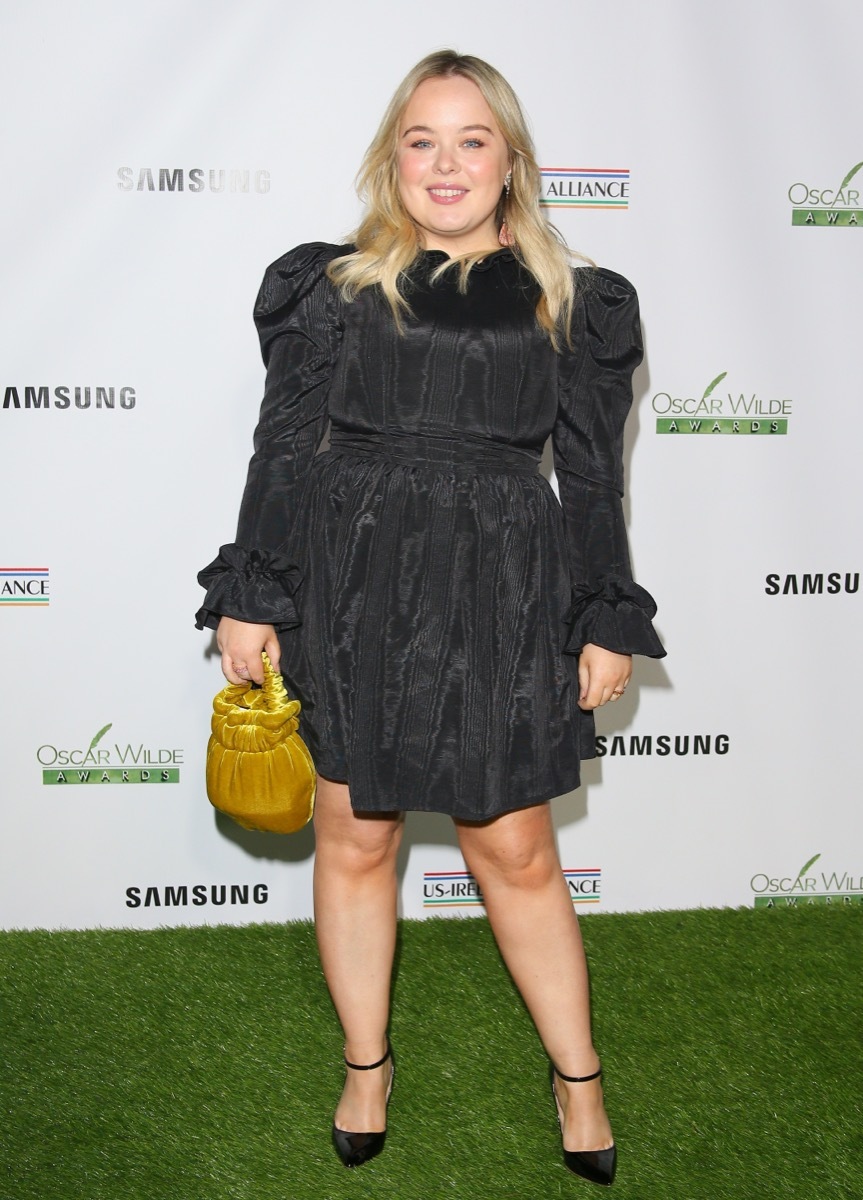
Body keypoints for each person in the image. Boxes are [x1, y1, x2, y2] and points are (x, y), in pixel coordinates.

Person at [196, 50, 665, 1186]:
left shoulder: (575, 301)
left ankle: (578, 1077)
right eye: (421, 140)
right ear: (391, 158)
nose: (444, 164)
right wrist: (253, 593)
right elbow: (283, 448)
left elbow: (590, 478)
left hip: (501, 583)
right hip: (350, 577)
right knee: (355, 836)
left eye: (470, 140)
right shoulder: (329, 286)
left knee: (516, 850)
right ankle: (366, 1066)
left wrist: (603, 614)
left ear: (510, 160)